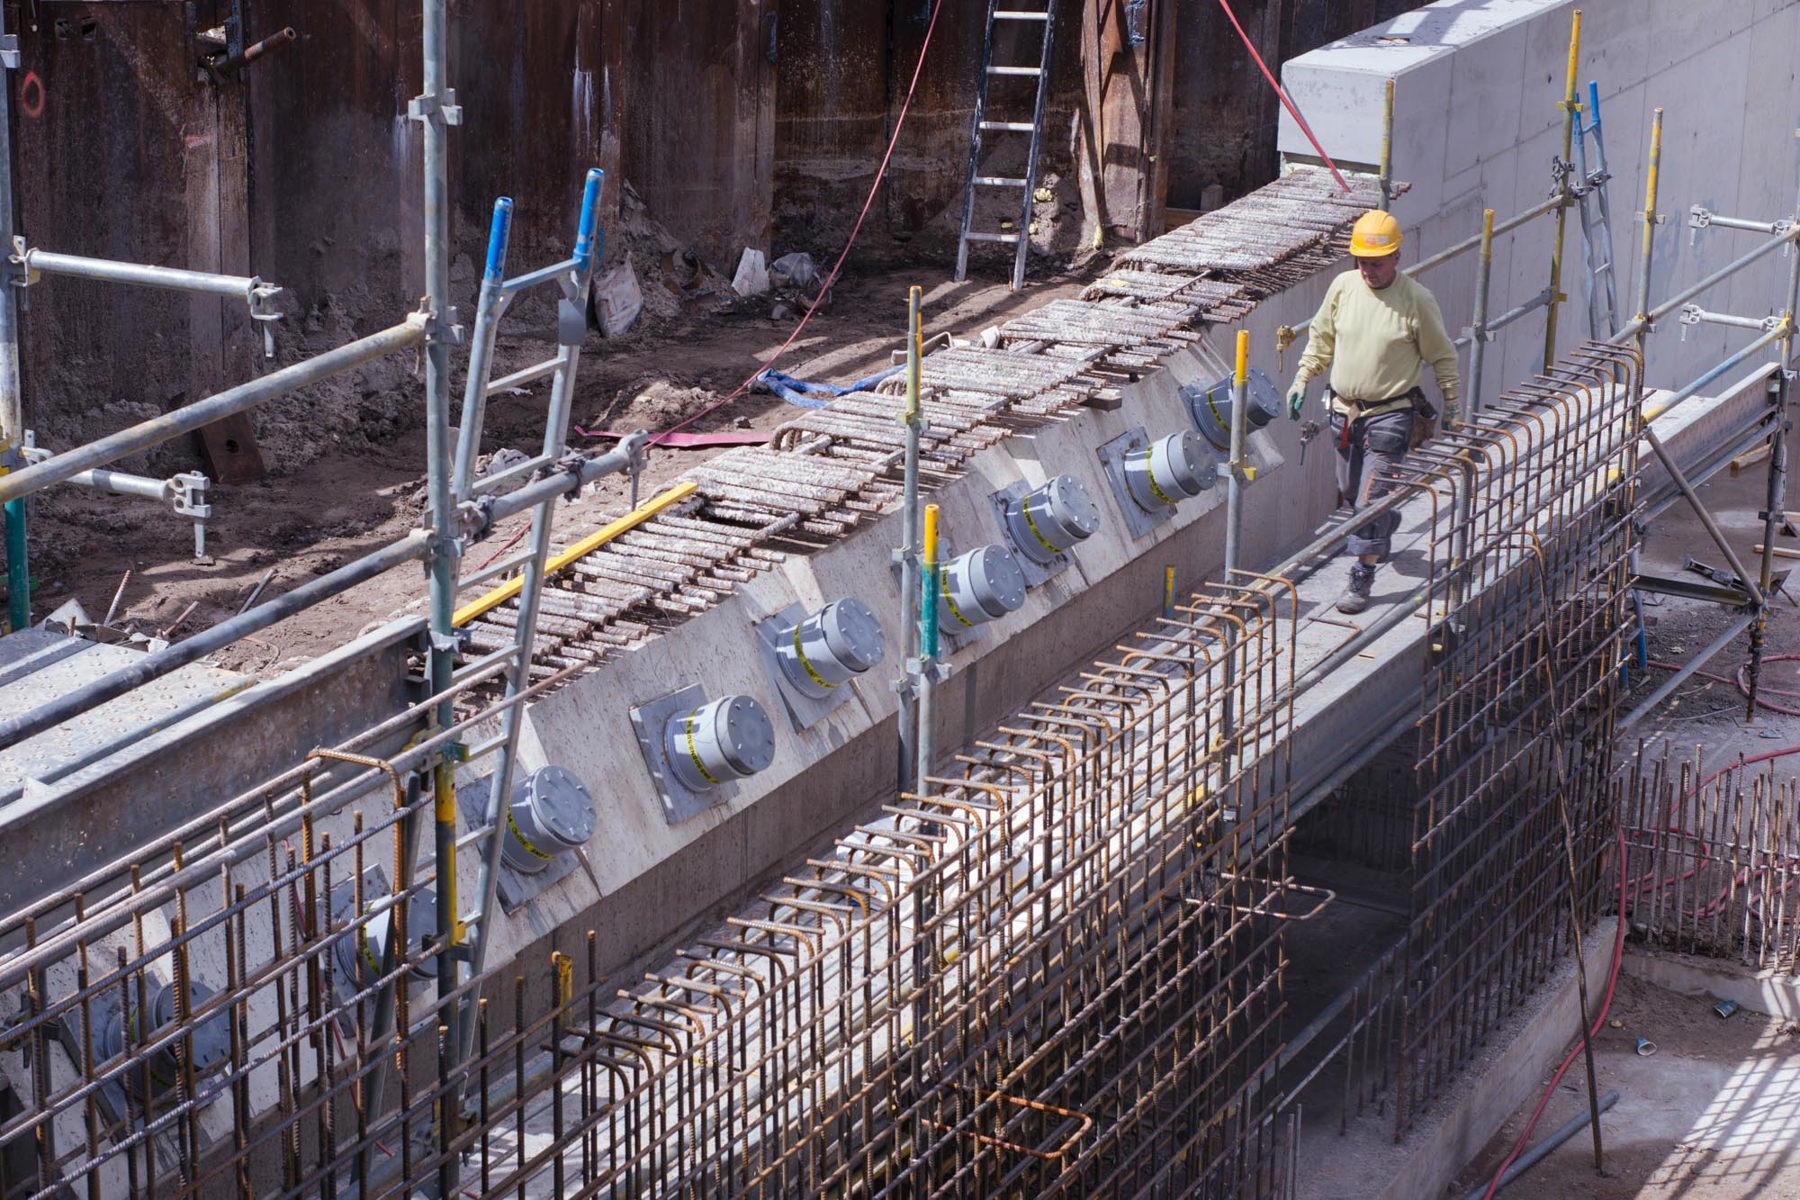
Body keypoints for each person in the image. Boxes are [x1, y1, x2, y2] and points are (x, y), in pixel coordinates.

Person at [1286, 210, 1460, 614]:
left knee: (1368, 501)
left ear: (1397, 257)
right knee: (1349, 489)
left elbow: (1442, 355)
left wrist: (1452, 401)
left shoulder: (1416, 301)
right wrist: (1301, 378)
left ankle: (1361, 579)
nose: (1368, 271)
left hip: (1391, 415)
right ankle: (1384, 520)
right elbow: (1321, 339)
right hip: (1345, 413)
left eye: (1376, 263)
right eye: (1361, 262)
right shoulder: (1344, 287)